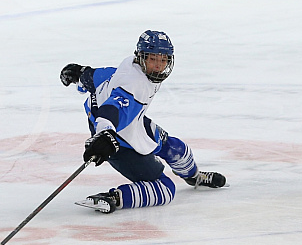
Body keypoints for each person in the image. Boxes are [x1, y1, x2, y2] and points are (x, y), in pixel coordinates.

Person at [60, 30, 226, 214]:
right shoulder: (134, 85)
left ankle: (195, 178)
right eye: (153, 59)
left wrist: (80, 75)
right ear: (141, 57)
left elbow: (99, 77)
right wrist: (105, 135)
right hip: (117, 138)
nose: (158, 65)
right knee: (165, 190)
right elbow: (112, 109)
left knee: (176, 148)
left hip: (132, 123)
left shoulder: (130, 67)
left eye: (163, 60)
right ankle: (114, 198)